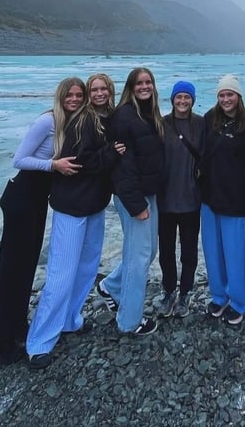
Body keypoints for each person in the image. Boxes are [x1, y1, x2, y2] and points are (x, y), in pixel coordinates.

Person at [26, 77, 123, 369]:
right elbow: (78, 163)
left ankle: (70, 319)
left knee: (87, 269)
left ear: (111, 92)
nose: (99, 93)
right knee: (61, 273)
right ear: (88, 96)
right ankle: (39, 342)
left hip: (95, 205)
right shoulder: (83, 122)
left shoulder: (108, 118)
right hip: (72, 206)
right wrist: (110, 153)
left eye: (103, 89)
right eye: (94, 90)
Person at [0, 77, 83, 365]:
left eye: (80, 95)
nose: (75, 99)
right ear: (61, 96)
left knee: (26, 267)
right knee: (10, 270)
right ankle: (0, 342)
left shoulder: (69, 123)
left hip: (38, 200)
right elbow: (19, 159)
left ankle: (17, 326)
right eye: (70, 94)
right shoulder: (48, 121)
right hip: (21, 197)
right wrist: (53, 165)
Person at [99, 67, 165, 336]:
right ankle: (129, 320)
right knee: (138, 257)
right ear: (131, 86)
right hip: (134, 197)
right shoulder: (124, 116)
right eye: (139, 83)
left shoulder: (149, 113)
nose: (145, 86)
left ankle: (111, 286)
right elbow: (122, 167)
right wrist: (136, 205)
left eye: (148, 82)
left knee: (148, 252)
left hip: (148, 193)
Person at [200, 74, 245, 326]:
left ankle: (239, 302)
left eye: (230, 94)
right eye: (221, 95)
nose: (225, 99)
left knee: (235, 254)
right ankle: (219, 296)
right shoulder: (210, 119)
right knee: (213, 252)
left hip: (237, 200)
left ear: (239, 96)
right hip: (210, 197)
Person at [153, 81, 206, 319]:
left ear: (192, 100)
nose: (182, 101)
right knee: (166, 251)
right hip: (164, 200)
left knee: (189, 251)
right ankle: (168, 290)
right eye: (179, 97)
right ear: (172, 99)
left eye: (187, 97)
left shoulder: (201, 124)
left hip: (191, 200)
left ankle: (185, 292)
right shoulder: (161, 124)